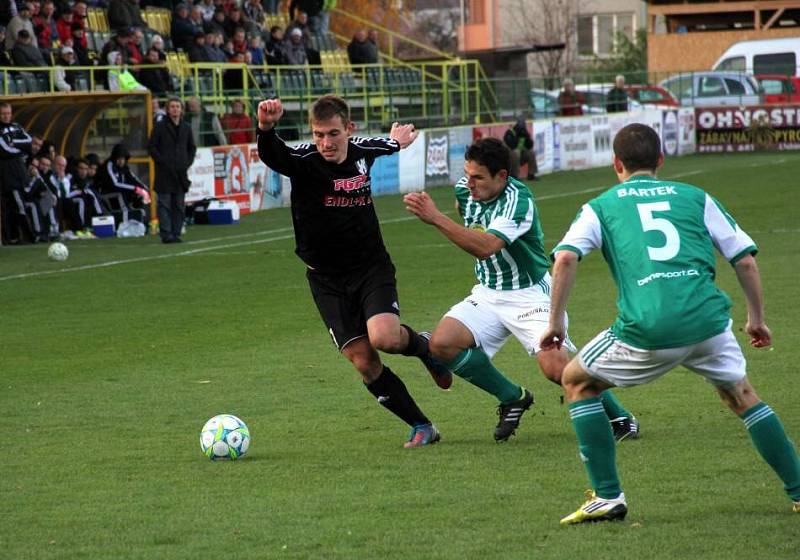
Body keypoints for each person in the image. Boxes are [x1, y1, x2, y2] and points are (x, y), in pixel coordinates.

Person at [540, 123, 800, 524]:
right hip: (709, 323)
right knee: (742, 395)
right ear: (661, 160)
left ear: (616, 164)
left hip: (650, 328)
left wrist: (555, 323)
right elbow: (745, 259)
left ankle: (608, 496)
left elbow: (565, 259)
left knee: (576, 380)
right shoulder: (696, 197)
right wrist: (756, 320)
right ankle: (798, 491)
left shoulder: (601, 206)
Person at [403, 137, 636, 442]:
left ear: (502, 176)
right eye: (467, 174)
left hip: (530, 294)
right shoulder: (464, 188)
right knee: (442, 344)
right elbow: (465, 209)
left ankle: (621, 417)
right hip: (489, 292)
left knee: (556, 369)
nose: (470, 183)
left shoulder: (518, 200)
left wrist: (435, 218)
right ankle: (513, 397)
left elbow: (487, 246)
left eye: (478, 178)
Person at [255, 95, 451, 448]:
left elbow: (389, 143)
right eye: (318, 135)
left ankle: (423, 348)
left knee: (386, 339)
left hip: (369, 267)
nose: (325, 143)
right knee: (363, 360)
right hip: (325, 279)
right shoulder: (304, 160)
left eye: (332, 133)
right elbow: (273, 154)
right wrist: (266, 127)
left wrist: (399, 139)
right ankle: (422, 425)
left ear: (349, 129)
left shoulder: (363, 150)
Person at [148, 97, 196, 244]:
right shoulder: (160, 126)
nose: (175, 109)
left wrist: (185, 163)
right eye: (172, 107)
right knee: (164, 204)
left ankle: (175, 232)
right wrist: (162, 162)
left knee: (179, 205)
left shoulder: (186, 127)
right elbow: (152, 147)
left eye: (178, 107)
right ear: (168, 109)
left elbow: (191, 148)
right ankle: (166, 234)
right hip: (164, 172)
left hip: (180, 173)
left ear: (182, 110)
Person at [0, 102, 35, 244]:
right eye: (3, 114)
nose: (6, 116)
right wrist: (20, 149)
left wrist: (14, 142)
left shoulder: (16, 126)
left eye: (8, 113)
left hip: (21, 171)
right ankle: (29, 237)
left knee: (24, 202)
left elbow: (29, 140)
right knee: (17, 203)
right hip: (6, 172)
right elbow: (4, 150)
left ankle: (15, 237)